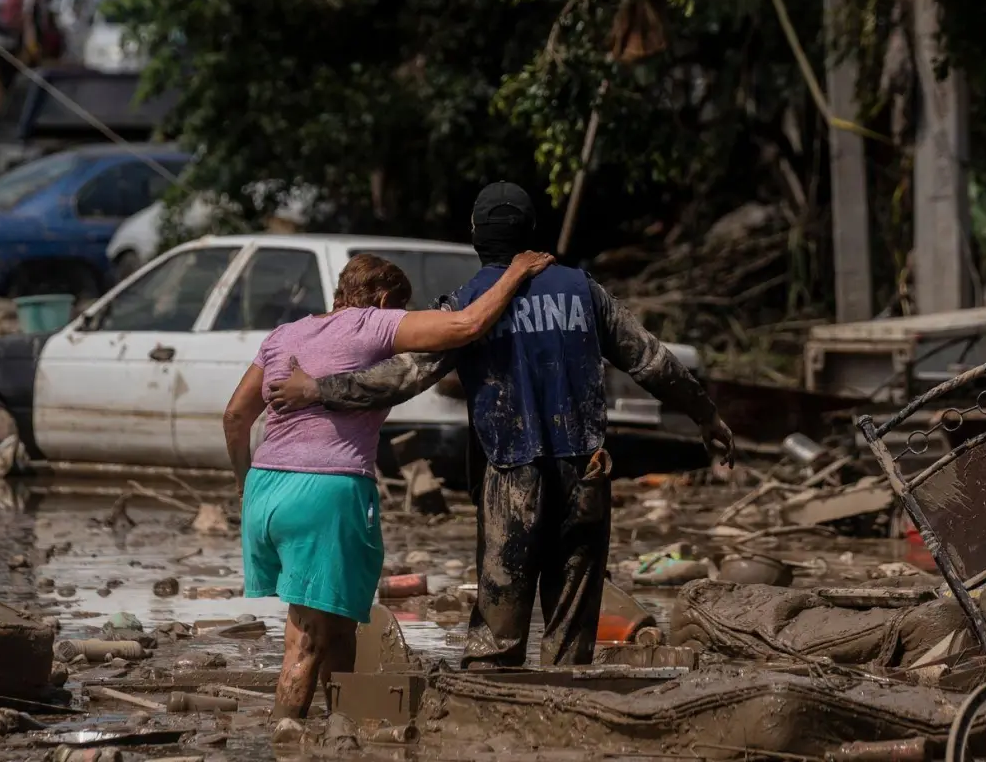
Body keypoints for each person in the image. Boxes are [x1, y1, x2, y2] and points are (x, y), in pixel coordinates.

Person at [265, 181, 736, 669]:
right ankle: (569, 718)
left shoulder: (470, 304)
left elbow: (402, 378)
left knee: (497, 632)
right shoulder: (584, 291)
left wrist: (318, 389)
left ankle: (492, 722)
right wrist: (706, 415)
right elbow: (653, 362)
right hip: (586, 471)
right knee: (571, 625)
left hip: (510, 474)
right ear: (530, 231)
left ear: (477, 235)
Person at [222, 249, 552, 727]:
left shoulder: (284, 334)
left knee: (339, 622)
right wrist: (517, 272)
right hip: (327, 491)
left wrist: (242, 483)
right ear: (380, 298)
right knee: (307, 637)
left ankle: (342, 728)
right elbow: (465, 326)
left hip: (266, 490)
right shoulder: (372, 326)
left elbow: (235, 416)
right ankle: (285, 734)